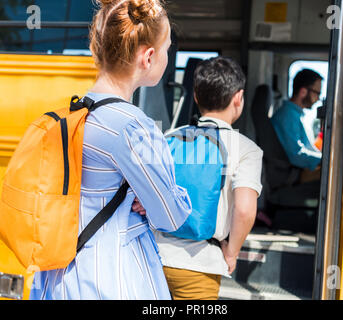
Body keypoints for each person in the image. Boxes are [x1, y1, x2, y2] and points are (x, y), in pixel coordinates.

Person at [29, 0, 192, 300]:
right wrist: (170, 196)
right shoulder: (133, 127)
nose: (168, 57)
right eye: (168, 49)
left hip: (58, 277)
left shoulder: (71, 114)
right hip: (111, 279)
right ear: (149, 57)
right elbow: (169, 215)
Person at [154, 57, 263, 300]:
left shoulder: (169, 136)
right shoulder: (246, 149)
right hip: (199, 266)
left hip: (153, 257)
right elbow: (244, 211)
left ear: (195, 96)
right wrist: (231, 252)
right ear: (238, 98)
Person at [271, 68, 323, 182]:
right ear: (303, 91)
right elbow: (295, 154)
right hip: (291, 175)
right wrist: (323, 160)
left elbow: (308, 148)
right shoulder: (288, 116)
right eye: (317, 93)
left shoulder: (298, 115)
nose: (318, 98)